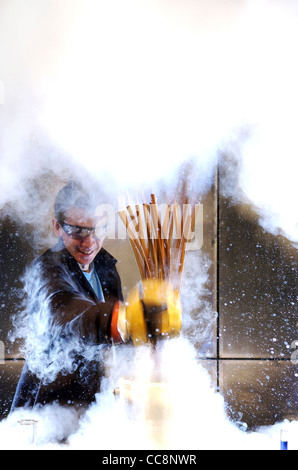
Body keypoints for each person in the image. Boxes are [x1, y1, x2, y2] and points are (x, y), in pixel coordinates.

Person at [11, 181, 181, 413]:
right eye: (77, 231)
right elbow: (68, 311)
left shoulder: (105, 266)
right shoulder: (47, 270)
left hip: (89, 407)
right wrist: (124, 318)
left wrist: (148, 328)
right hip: (46, 413)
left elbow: (113, 336)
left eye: (99, 229)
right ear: (57, 227)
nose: (89, 243)